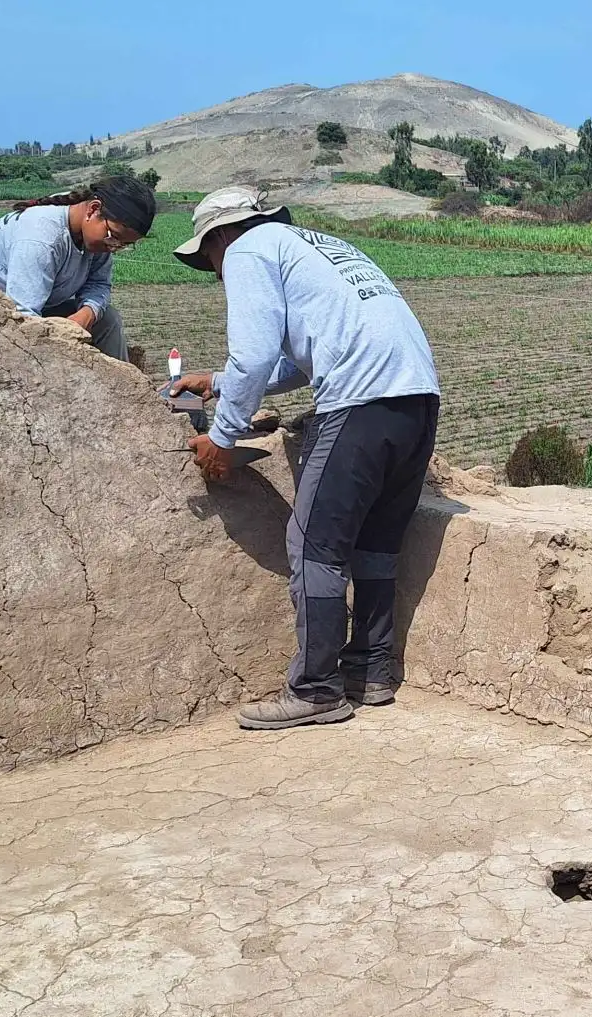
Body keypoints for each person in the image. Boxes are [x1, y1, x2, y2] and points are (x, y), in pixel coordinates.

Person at [166, 186, 443, 732]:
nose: (216, 273)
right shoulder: (313, 245)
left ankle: (316, 690)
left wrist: (221, 439)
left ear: (222, 235)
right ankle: (372, 671)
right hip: (416, 403)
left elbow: (254, 352)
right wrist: (220, 384)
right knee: (374, 544)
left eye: (209, 259)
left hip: (359, 404)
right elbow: (299, 361)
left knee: (313, 544)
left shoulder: (248, 249)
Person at [0, 175, 155, 361]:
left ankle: (120, 391)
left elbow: (99, 283)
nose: (115, 248)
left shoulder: (95, 237)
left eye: (125, 245)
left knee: (108, 320)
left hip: (31, 307)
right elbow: (23, 317)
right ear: (93, 209)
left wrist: (87, 313)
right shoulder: (41, 238)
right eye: (114, 237)